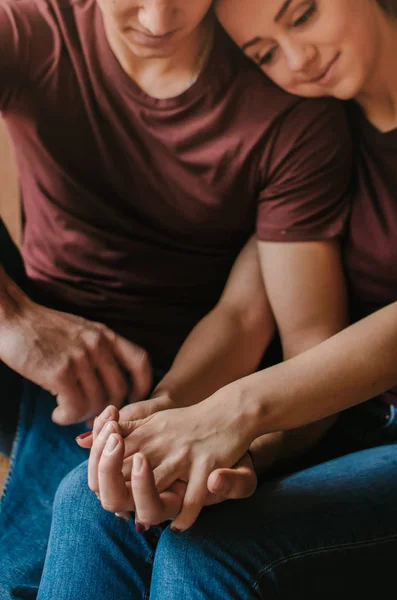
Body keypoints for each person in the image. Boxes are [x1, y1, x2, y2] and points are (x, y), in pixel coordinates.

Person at [36, 0, 397, 598]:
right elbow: (246, 312)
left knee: (210, 558)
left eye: (303, 15)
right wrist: (171, 419)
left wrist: (236, 414)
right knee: (93, 497)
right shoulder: (317, 129)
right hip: (347, 423)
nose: (299, 60)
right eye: (264, 54)